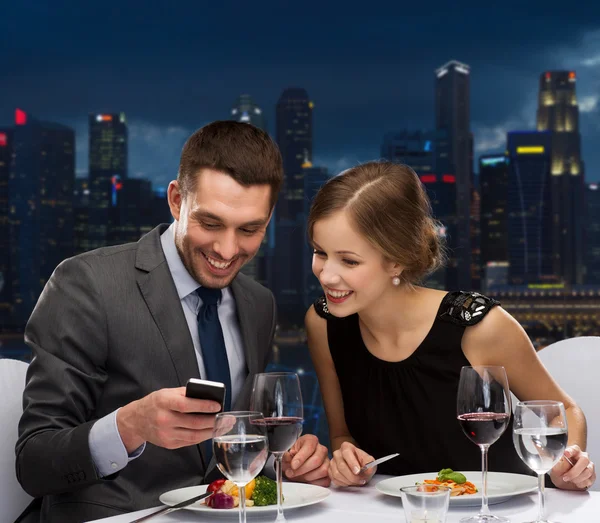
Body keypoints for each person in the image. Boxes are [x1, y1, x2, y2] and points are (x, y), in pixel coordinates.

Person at [16, 121, 330, 523]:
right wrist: (129, 426)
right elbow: (34, 462)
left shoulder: (258, 303)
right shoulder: (88, 284)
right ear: (177, 200)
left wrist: (285, 464)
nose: (227, 250)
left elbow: (233, 446)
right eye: (211, 223)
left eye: (250, 229)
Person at [304, 161, 595, 490]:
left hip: (501, 509)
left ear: (396, 259)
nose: (326, 275)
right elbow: (344, 435)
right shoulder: (322, 324)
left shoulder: (479, 327)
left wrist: (566, 463)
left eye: (349, 260)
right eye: (319, 252)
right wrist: (347, 459)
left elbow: (564, 410)